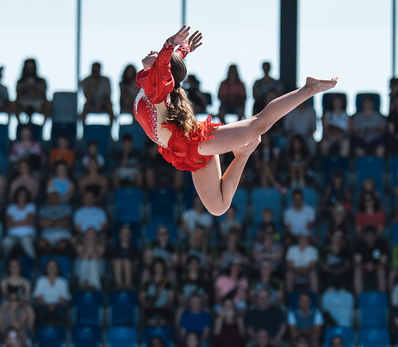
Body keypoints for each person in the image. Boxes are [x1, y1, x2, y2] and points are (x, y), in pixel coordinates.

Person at [136, 27, 337, 215]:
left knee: (260, 124)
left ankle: (308, 89)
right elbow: (170, 64)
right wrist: (183, 48)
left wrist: (171, 44)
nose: (153, 51)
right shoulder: (149, 80)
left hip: (191, 141)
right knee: (219, 207)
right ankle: (242, 155)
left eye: (157, 53)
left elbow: (166, 65)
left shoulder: (157, 87)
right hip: (180, 149)